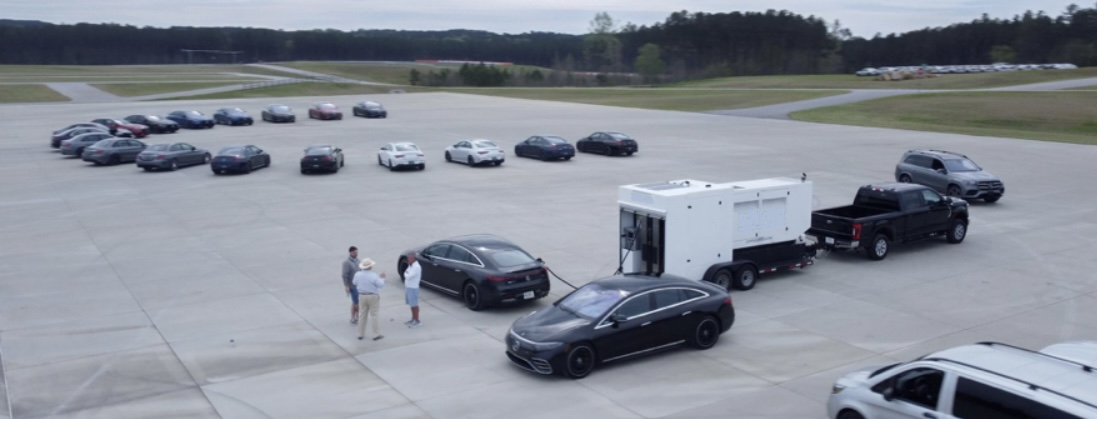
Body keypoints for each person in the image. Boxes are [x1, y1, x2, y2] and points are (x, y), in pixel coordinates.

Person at [353, 258, 386, 341]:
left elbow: (354, 283)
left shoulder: (357, 274)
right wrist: (382, 278)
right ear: (370, 267)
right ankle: (375, 334)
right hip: (372, 296)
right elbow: (381, 285)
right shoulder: (373, 275)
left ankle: (360, 334)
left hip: (362, 295)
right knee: (374, 315)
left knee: (362, 315)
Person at [403, 252, 422, 327]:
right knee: (411, 304)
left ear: (413, 258)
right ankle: (413, 319)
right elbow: (406, 273)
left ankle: (417, 320)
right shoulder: (411, 266)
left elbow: (408, 276)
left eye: (409, 258)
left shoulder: (416, 267)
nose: (407, 259)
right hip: (408, 287)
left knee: (414, 305)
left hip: (413, 288)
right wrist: (406, 274)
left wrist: (406, 274)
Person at [342, 246, 360, 324]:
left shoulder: (358, 261)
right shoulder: (346, 263)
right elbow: (344, 275)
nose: (356, 254)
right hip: (352, 286)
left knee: (356, 302)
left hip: (359, 285)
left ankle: (355, 316)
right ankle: (354, 316)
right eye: (354, 252)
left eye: (357, 252)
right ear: (350, 253)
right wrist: (346, 286)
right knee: (355, 302)